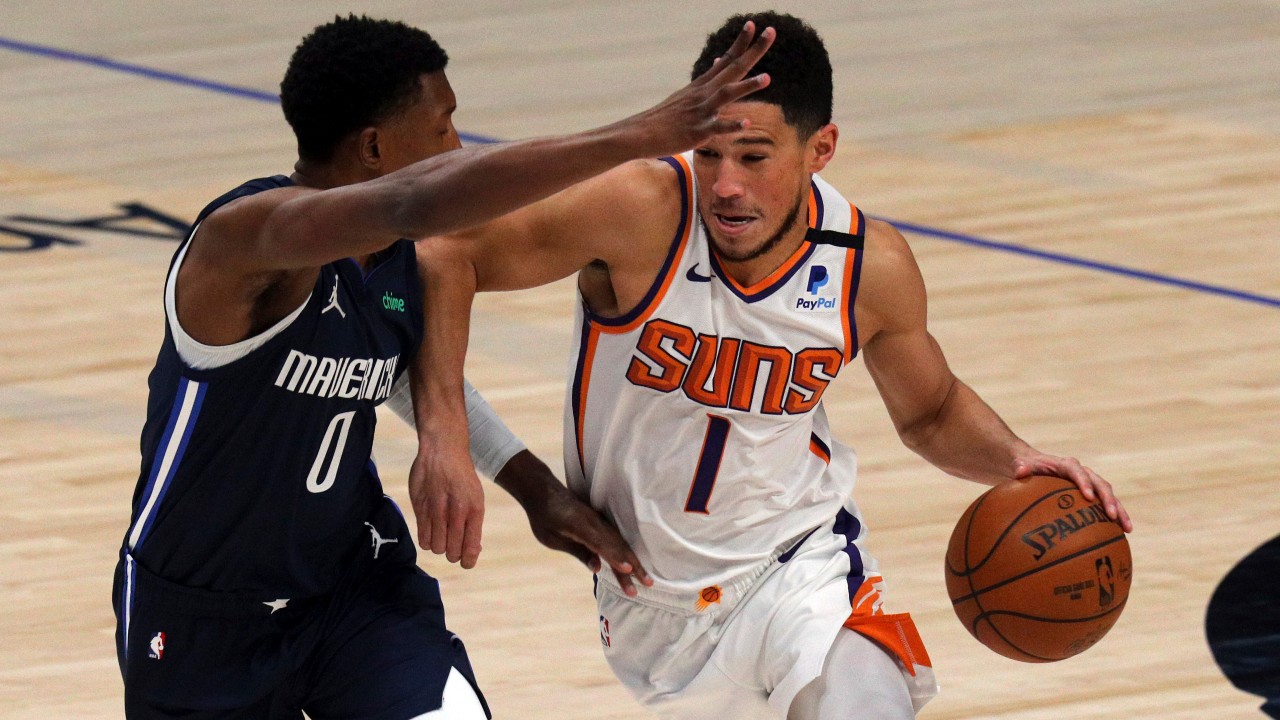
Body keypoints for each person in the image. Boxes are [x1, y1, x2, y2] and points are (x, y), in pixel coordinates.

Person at [413, 11, 1135, 720]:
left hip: (798, 572)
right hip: (646, 608)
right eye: (710, 155)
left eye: (754, 158)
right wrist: (448, 439)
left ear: (820, 148)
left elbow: (932, 413)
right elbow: (445, 253)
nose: (726, 185)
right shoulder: (640, 209)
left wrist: (1019, 458)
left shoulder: (866, 265)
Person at [112, 14, 775, 719]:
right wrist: (640, 136)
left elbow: (394, 370)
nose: (458, 147)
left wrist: (534, 488)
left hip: (352, 587)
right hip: (202, 614)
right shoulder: (245, 239)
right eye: (443, 128)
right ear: (374, 147)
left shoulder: (400, 263)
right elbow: (417, 197)